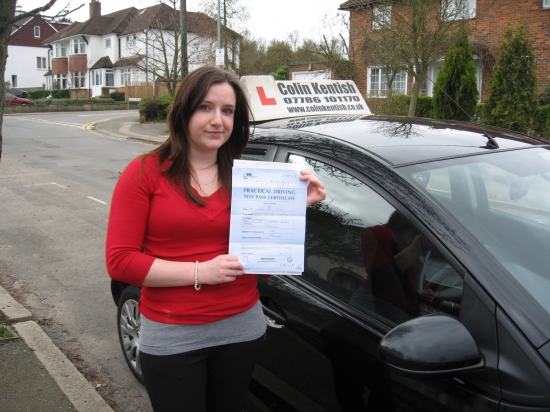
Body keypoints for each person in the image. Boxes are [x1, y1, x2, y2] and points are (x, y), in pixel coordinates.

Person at [105, 66, 326, 412]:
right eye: (205, 107)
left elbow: (260, 263)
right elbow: (120, 261)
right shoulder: (145, 172)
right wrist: (199, 272)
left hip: (241, 328)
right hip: (172, 334)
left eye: (227, 111)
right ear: (184, 110)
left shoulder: (247, 177)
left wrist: (295, 209)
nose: (217, 121)